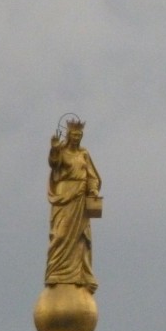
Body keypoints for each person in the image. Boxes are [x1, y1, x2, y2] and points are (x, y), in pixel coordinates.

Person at [45, 119, 101, 293]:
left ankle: (79, 275)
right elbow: (54, 164)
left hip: (79, 198)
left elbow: (92, 176)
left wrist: (92, 190)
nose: (76, 137)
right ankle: (55, 272)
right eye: (74, 134)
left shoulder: (84, 154)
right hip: (64, 195)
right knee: (60, 234)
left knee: (79, 239)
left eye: (79, 135)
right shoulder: (61, 151)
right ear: (68, 135)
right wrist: (54, 148)